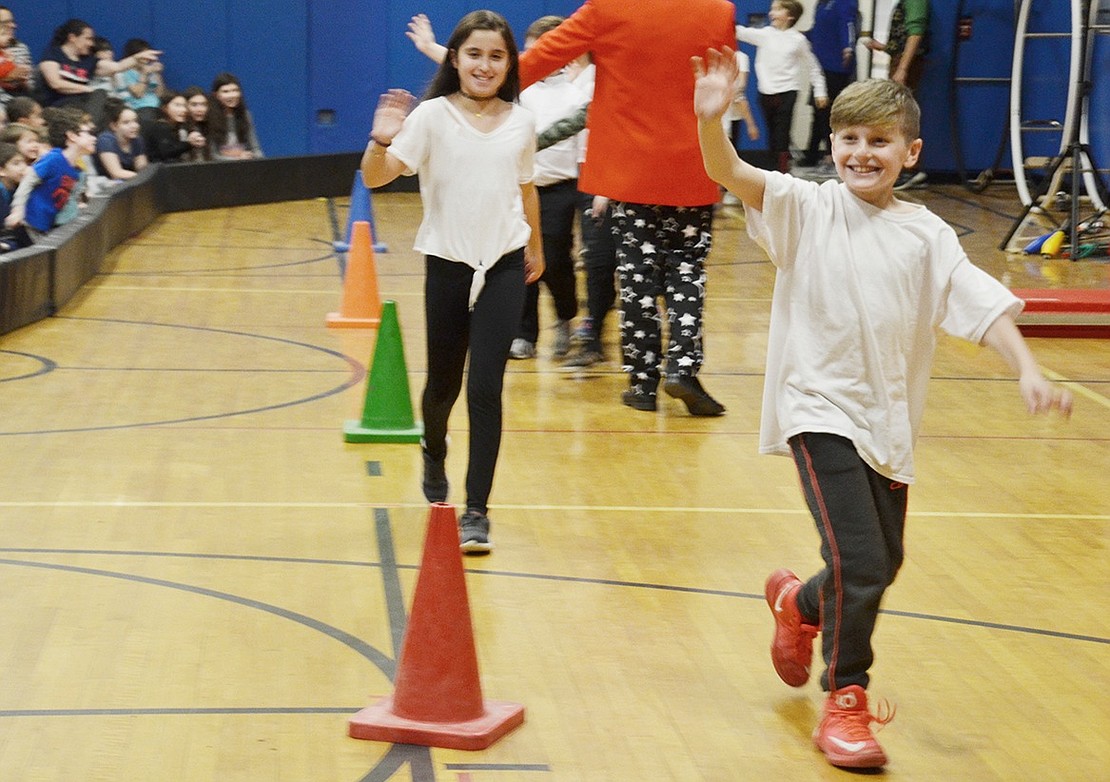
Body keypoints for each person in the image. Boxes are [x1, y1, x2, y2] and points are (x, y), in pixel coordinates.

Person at [692, 49, 1074, 770]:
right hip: (817, 410)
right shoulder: (807, 208)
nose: (862, 153)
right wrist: (712, 121)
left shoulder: (927, 234)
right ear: (832, 146)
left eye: (879, 141)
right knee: (863, 562)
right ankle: (846, 702)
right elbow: (728, 173)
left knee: (878, 563)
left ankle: (798, 606)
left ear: (910, 151)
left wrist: (1026, 369)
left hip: (887, 426)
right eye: (849, 140)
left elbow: (983, 307)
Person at [362, 10, 544, 554]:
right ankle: (433, 448)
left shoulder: (522, 120)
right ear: (456, 59)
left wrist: (534, 245)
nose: (484, 65)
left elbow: (527, 186)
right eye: (473, 54)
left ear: (508, 62)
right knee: (444, 387)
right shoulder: (434, 117)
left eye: (495, 55)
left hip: (505, 265)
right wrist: (381, 138)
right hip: (446, 264)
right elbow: (375, 177)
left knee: (487, 388)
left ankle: (476, 512)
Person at [515, 0, 736, 415]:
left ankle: (643, 382)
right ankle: (683, 369)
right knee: (687, 271)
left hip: (628, 168)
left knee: (636, 275)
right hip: (693, 162)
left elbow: (538, 59)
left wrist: (477, 89)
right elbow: (721, 79)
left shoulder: (606, 8)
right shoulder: (718, 11)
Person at [510, 15, 587, 361]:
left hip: (560, 189)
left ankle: (565, 317)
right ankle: (524, 333)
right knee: (520, 258)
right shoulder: (519, 93)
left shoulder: (574, 94)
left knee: (555, 260)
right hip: (521, 189)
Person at [736, 0, 828, 174]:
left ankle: (782, 174)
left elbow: (813, 66)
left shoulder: (798, 40)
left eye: (777, 9)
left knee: (781, 135)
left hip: (787, 92)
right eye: (772, 9)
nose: (772, 13)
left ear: (790, 16)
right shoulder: (765, 34)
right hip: (766, 93)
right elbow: (739, 32)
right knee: (772, 135)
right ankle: (774, 172)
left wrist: (820, 91)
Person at [37, 20, 160, 124]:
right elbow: (55, 83)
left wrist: (137, 57)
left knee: (104, 98)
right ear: (72, 38)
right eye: (88, 39)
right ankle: (90, 126)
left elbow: (117, 67)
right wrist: (87, 89)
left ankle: (92, 126)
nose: (91, 44)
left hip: (85, 105)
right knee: (97, 95)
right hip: (61, 105)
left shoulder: (88, 60)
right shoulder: (53, 54)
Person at [862, 0, 929, 189]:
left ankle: (909, 169)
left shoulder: (915, 2)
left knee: (903, 117)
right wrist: (884, 46)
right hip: (901, 60)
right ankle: (901, 167)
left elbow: (915, 33)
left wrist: (903, 68)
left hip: (907, 63)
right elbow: (905, 35)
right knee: (897, 115)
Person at [5, 107, 96, 242]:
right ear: (72, 136)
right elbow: (27, 182)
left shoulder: (79, 172)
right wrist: (18, 209)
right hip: (30, 223)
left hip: (48, 226)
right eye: (88, 133)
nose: (93, 138)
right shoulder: (54, 158)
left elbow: (70, 202)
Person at [802, 0, 858, 170]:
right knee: (818, 111)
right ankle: (812, 154)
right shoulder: (820, 5)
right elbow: (817, 31)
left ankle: (831, 155)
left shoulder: (844, 2)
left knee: (830, 113)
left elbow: (847, 24)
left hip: (836, 66)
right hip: (820, 64)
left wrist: (848, 48)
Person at [207, 73, 262, 160]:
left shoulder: (245, 115)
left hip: (245, 165)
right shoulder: (209, 117)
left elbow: (255, 148)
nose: (232, 95)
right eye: (225, 91)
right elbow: (212, 155)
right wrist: (237, 159)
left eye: (235, 90)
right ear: (216, 95)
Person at [144, 90, 207, 163]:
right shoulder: (160, 127)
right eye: (177, 105)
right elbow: (167, 152)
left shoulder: (179, 127)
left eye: (184, 106)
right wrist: (189, 143)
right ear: (165, 108)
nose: (183, 110)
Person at [94, 99, 148, 180]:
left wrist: (146, 175)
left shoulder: (137, 139)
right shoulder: (105, 140)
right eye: (126, 122)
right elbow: (116, 173)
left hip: (129, 182)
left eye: (135, 121)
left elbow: (142, 167)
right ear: (114, 126)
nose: (134, 126)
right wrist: (142, 177)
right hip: (107, 184)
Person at [118, 38, 165, 124]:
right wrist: (144, 74)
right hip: (140, 109)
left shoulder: (151, 70)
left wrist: (158, 74)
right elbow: (138, 94)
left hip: (157, 107)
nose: (147, 59)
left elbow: (160, 94)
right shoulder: (126, 72)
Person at [0, 6, 34, 102]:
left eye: (12, 21)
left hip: (18, 97)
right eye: (5, 23)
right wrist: (7, 78)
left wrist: (23, 78)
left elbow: (30, 85)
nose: (13, 26)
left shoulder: (20, 47)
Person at [182, 86, 212, 161]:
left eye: (203, 104)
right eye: (194, 105)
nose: (200, 109)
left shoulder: (211, 126)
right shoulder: (181, 129)